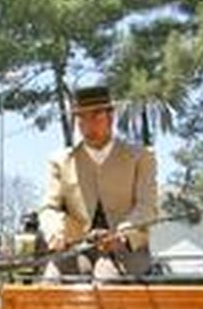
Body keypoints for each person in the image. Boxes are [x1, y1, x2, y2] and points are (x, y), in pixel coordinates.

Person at [38, 84, 158, 279]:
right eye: (81, 118)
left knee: (106, 280)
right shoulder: (61, 161)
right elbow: (49, 208)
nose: (88, 125)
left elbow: (147, 206)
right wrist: (56, 232)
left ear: (111, 117)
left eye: (95, 116)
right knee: (51, 281)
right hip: (76, 247)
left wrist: (124, 234)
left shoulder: (141, 157)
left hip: (126, 250)